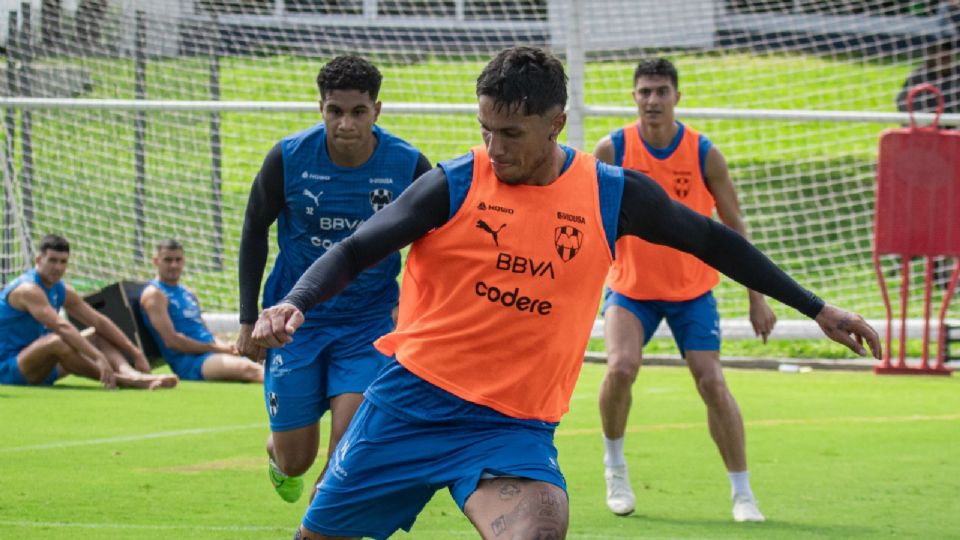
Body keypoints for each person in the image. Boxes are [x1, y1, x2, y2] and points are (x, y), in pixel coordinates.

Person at [250, 46, 882, 540]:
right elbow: (357, 248)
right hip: (410, 405)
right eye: (486, 129)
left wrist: (816, 307)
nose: (494, 149)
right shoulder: (454, 183)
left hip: (513, 426)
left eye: (512, 135)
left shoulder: (612, 194)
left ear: (556, 123)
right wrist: (294, 301)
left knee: (541, 528)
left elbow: (712, 241)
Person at [235, 55, 432, 504]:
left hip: (367, 324)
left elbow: (437, 242)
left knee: (346, 457)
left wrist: (413, 310)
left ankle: (318, 526)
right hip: (293, 324)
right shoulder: (288, 159)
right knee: (296, 460)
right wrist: (248, 320)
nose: (346, 124)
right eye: (335, 111)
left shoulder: (407, 165)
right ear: (320, 108)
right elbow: (253, 230)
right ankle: (279, 453)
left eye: (358, 111)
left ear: (376, 110)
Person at [592, 57, 775, 522]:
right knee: (621, 367)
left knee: (711, 380)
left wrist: (757, 296)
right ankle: (615, 469)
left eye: (661, 91)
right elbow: (590, 221)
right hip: (631, 288)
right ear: (633, 96)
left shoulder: (703, 153)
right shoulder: (612, 150)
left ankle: (743, 493)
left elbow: (734, 226)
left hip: (692, 290)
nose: (652, 100)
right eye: (644, 92)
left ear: (677, 96)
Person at [0, 234, 178, 390]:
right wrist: (97, 356)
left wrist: (135, 352)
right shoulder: (28, 290)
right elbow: (61, 326)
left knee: (96, 336)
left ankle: (133, 374)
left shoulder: (61, 289)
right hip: (10, 370)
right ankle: (125, 381)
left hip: (44, 367)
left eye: (63, 262)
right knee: (56, 341)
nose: (58, 267)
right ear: (39, 260)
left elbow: (98, 321)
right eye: (52, 260)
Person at [139, 239, 263, 383]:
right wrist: (217, 349)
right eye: (168, 260)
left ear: (184, 261)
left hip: (210, 353)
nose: (174, 265)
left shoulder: (188, 293)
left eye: (178, 260)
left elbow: (205, 332)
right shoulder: (154, 294)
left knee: (264, 360)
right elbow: (172, 341)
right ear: (156, 261)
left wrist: (227, 347)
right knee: (250, 369)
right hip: (191, 362)